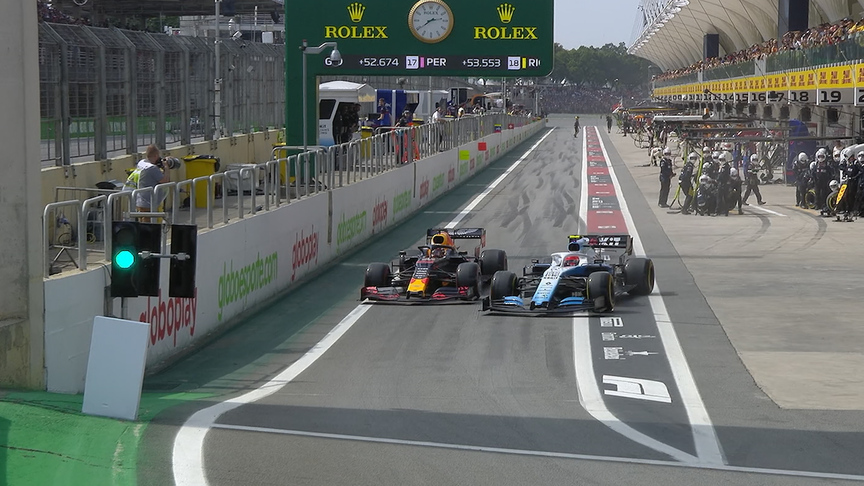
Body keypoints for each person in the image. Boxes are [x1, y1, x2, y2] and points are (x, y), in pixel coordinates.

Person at [136, 144, 169, 222]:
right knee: (148, 227)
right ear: (156, 155)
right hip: (149, 202)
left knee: (142, 224)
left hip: (140, 199)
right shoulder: (152, 168)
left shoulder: (142, 163)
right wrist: (167, 167)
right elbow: (165, 180)